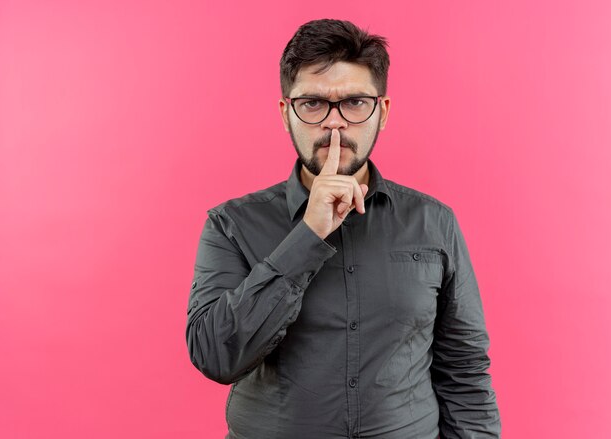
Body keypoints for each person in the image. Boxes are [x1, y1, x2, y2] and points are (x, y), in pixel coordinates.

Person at [186, 18, 501, 439]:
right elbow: (214, 356)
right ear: (286, 113)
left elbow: (464, 369)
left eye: (355, 102)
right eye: (313, 104)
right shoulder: (231, 225)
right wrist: (307, 235)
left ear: (382, 112)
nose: (334, 123)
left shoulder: (434, 222)